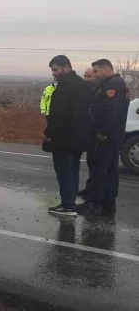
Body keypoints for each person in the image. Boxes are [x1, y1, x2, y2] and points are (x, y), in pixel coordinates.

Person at [77, 59, 129, 215]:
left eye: (96, 71)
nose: (95, 74)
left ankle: (94, 203)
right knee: (110, 170)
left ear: (106, 69)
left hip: (105, 137)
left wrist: (102, 134)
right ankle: (108, 201)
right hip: (112, 136)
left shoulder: (113, 86)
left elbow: (111, 114)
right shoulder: (113, 83)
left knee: (99, 169)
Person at [42, 55, 92, 216]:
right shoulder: (82, 85)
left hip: (64, 138)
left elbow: (58, 114)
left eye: (55, 70)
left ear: (66, 67)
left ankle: (68, 205)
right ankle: (70, 203)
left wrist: (48, 134)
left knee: (64, 172)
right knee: (73, 170)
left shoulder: (64, 87)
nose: (53, 74)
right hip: (79, 137)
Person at [77, 67, 101, 198]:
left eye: (89, 76)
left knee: (97, 163)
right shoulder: (89, 90)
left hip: (98, 133)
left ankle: (94, 193)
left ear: (96, 77)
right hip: (89, 132)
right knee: (91, 161)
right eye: (85, 76)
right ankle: (89, 187)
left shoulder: (99, 91)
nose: (86, 79)